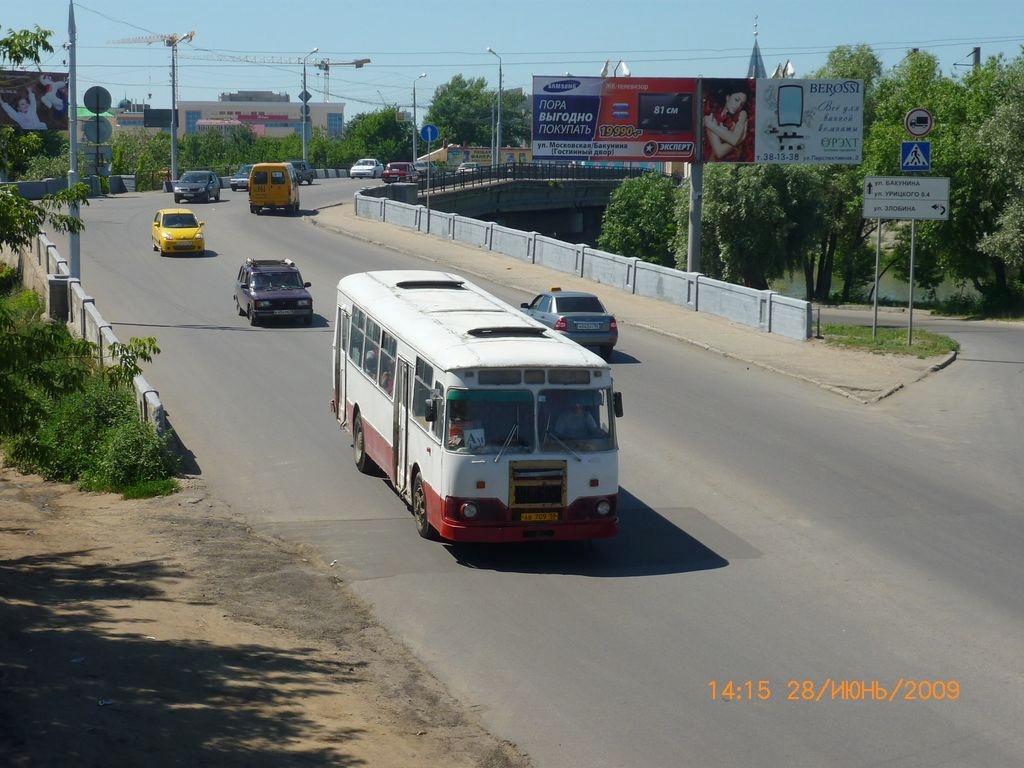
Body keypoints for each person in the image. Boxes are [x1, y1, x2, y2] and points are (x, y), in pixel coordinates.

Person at [703, 90, 750, 161]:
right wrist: (741, 139)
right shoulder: (712, 116)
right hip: (712, 164)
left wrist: (710, 125)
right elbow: (719, 152)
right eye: (736, 100)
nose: (738, 106)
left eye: (741, 104)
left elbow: (735, 140)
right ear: (727, 97)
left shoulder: (742, 114)